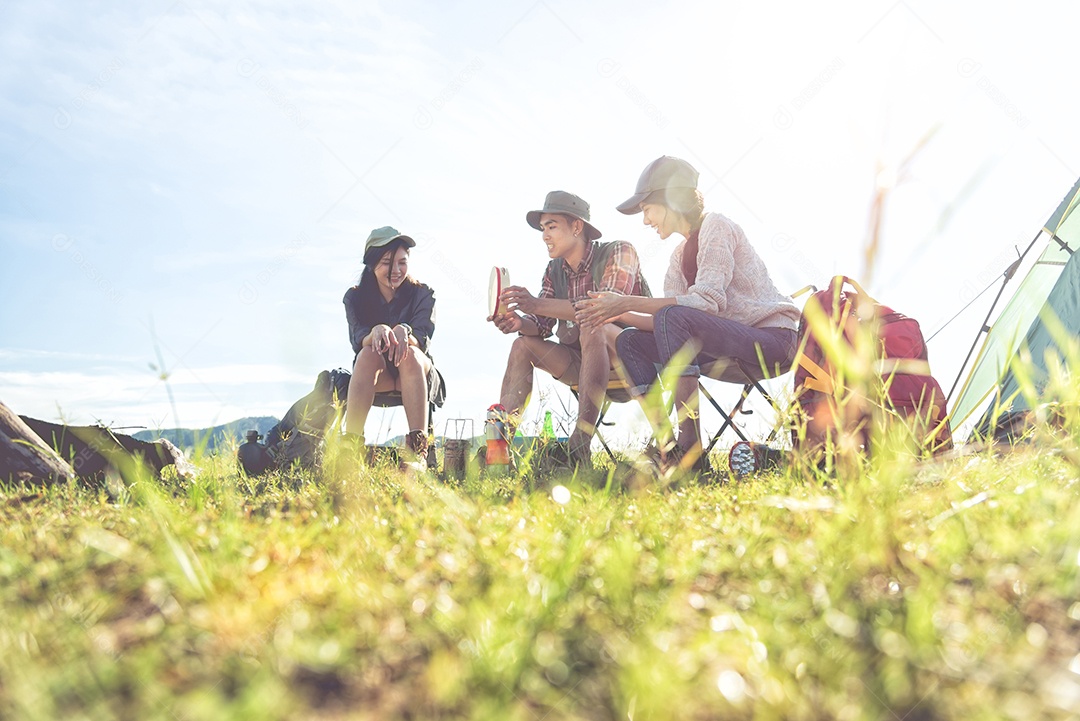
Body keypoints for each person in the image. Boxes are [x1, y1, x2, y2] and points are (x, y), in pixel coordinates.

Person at [574, 156, 799, 475]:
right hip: (724, 349)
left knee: (673, 316)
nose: (645, 220)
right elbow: (665, 324)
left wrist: (624, 302)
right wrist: (611, 315)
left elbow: (704, 304)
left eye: (647, 209)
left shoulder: (716, 226)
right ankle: (669, 449)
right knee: (630, 342)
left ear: (670, 199)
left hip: (772, 342)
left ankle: (691, 452)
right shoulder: (677, 259)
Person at [490, 190, 650, 466]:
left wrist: (536, 304)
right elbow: (540, 327)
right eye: (542, 229)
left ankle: (580, 443)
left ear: (577, 227)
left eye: (551, 227)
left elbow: (603, 308)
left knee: (593, 325)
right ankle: (499, 447)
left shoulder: (620, 251)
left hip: (635, 361)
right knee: (521, 345)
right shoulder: (553, 271)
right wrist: (520, 322)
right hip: (585, 366)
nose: (544, 236)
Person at [343, 226, 445, 471]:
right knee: (367, 353)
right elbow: (358, 337)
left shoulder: (423, 294)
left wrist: (404, 330)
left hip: (417, 374)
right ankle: (350, 450)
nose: (396, 270)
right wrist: (375, 331)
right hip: (379, 377)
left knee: (409, 354)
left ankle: (418, 453)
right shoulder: (355, 297)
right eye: (387, 263)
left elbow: (422, 336)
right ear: (371, 263)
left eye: (402, 262)